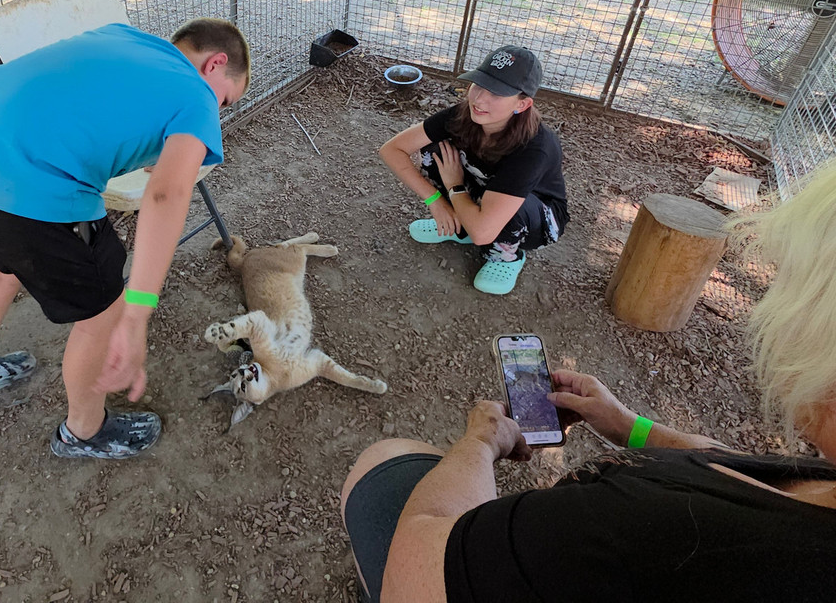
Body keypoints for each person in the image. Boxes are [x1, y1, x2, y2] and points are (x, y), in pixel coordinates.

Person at [340, 161, 836, 603]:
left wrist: (482, 442)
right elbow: (734, 467)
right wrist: (627, 426)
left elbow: (420, 569)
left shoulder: (638, 525)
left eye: (794, 285)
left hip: (463, 563)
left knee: (385, 459)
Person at [0, 18, 250, 459]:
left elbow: (87, 111)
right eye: (226, 99)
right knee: (105, 311)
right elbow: (167, 193)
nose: (218, 112)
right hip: (27, 194)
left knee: (6, 263)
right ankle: (84, 431)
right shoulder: (196, 95)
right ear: (216, 64)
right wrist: (138, 315)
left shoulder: (122, 36)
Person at [379, 45, 567, 295]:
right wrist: (436, 201)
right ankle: (459, 226)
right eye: (478, 85)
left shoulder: (535, 148)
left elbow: (482, 234)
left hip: (534, 218)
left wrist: (454, 187)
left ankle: (507, 257)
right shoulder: (463, 115)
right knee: (436, 151)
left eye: (496, 94)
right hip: (485, 192)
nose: (479, 100)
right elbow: (392, 150)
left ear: (522, 105)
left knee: (508, 213)